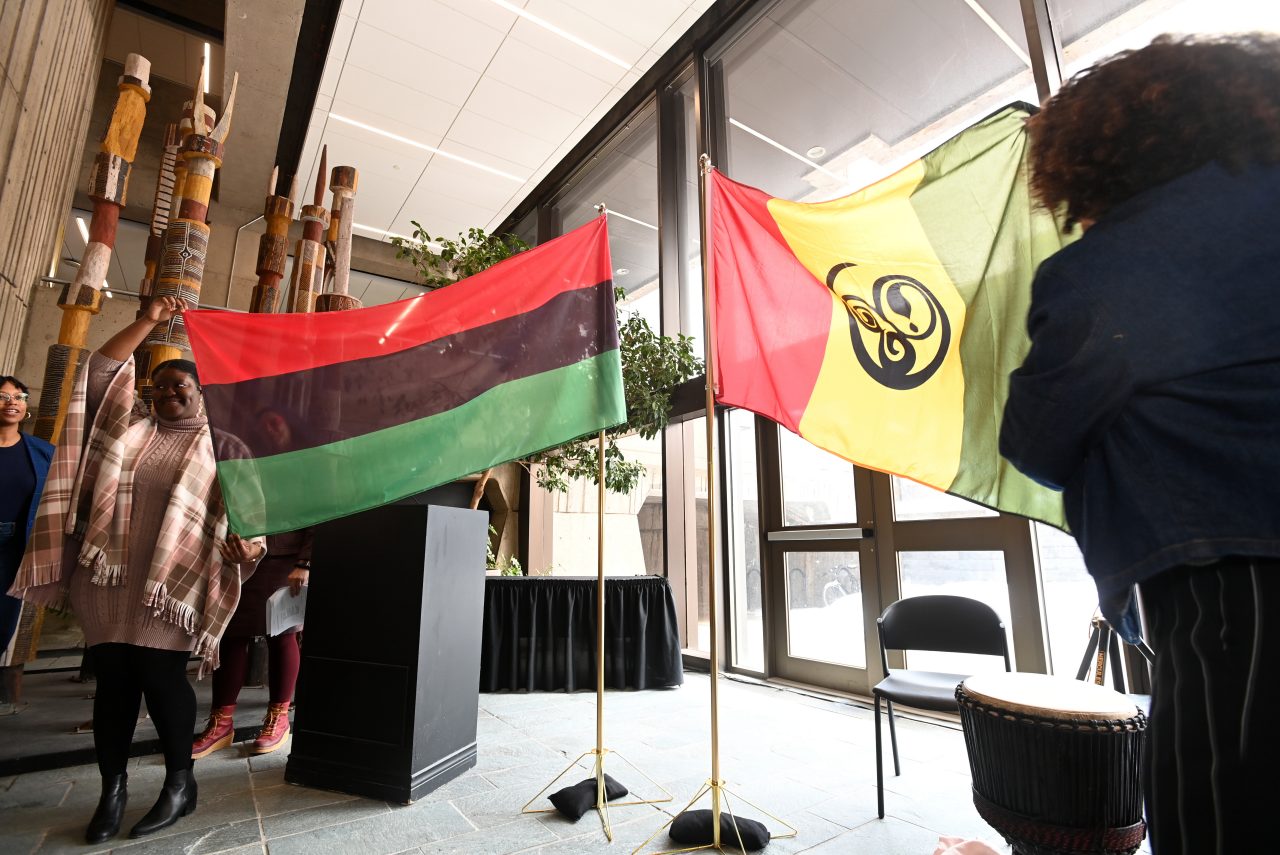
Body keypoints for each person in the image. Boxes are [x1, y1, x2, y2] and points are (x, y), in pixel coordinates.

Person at [999, 34, 1280, 855]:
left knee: (1221, 816)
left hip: (1236, 590)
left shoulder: (1115, 261)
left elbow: (1036, 437)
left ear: (1094, 155)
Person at [7, 296, 265, 844]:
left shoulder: (226, 446)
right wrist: (147, 320)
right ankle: (113, 790)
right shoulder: (127, 432)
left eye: (182, 387)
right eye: (160, 387)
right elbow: (100, 374)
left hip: (170, 585)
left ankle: (179, 784)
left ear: (201, 393)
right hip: (106, 582)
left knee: (161, 678)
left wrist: (250, 547)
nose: (169, 394)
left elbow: (251, 518)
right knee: (115, 685)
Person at [192, 523, 311, 759]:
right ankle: (221, 723)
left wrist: (304, 562)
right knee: (231, 634)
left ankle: (279, 717)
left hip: (283, 554)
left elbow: (315, 508)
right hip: (235, 548)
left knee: (281, 632)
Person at [0, 376, 54, 659]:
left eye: (19, 397)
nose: (12, 403)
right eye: (3, 396)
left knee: (2, 620)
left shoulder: (43, 452)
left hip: (14, 546)